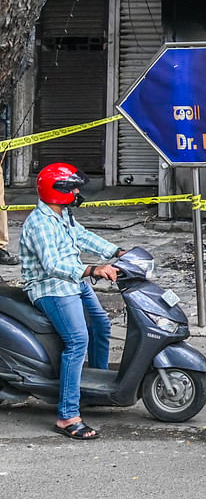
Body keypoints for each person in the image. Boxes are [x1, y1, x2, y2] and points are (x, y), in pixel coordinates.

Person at [18, 162, 121, 440]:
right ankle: (67, 416)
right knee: (77, 342)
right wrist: (92, 270)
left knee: (101, 324)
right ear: (58, 191)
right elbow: (52, 265)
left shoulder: (63, 214)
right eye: (72, 187)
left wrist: (118, 252)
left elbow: (83, 236)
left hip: (72, 281)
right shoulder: (40, 223)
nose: (77, 191)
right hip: (50, 287)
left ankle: (93, 389)